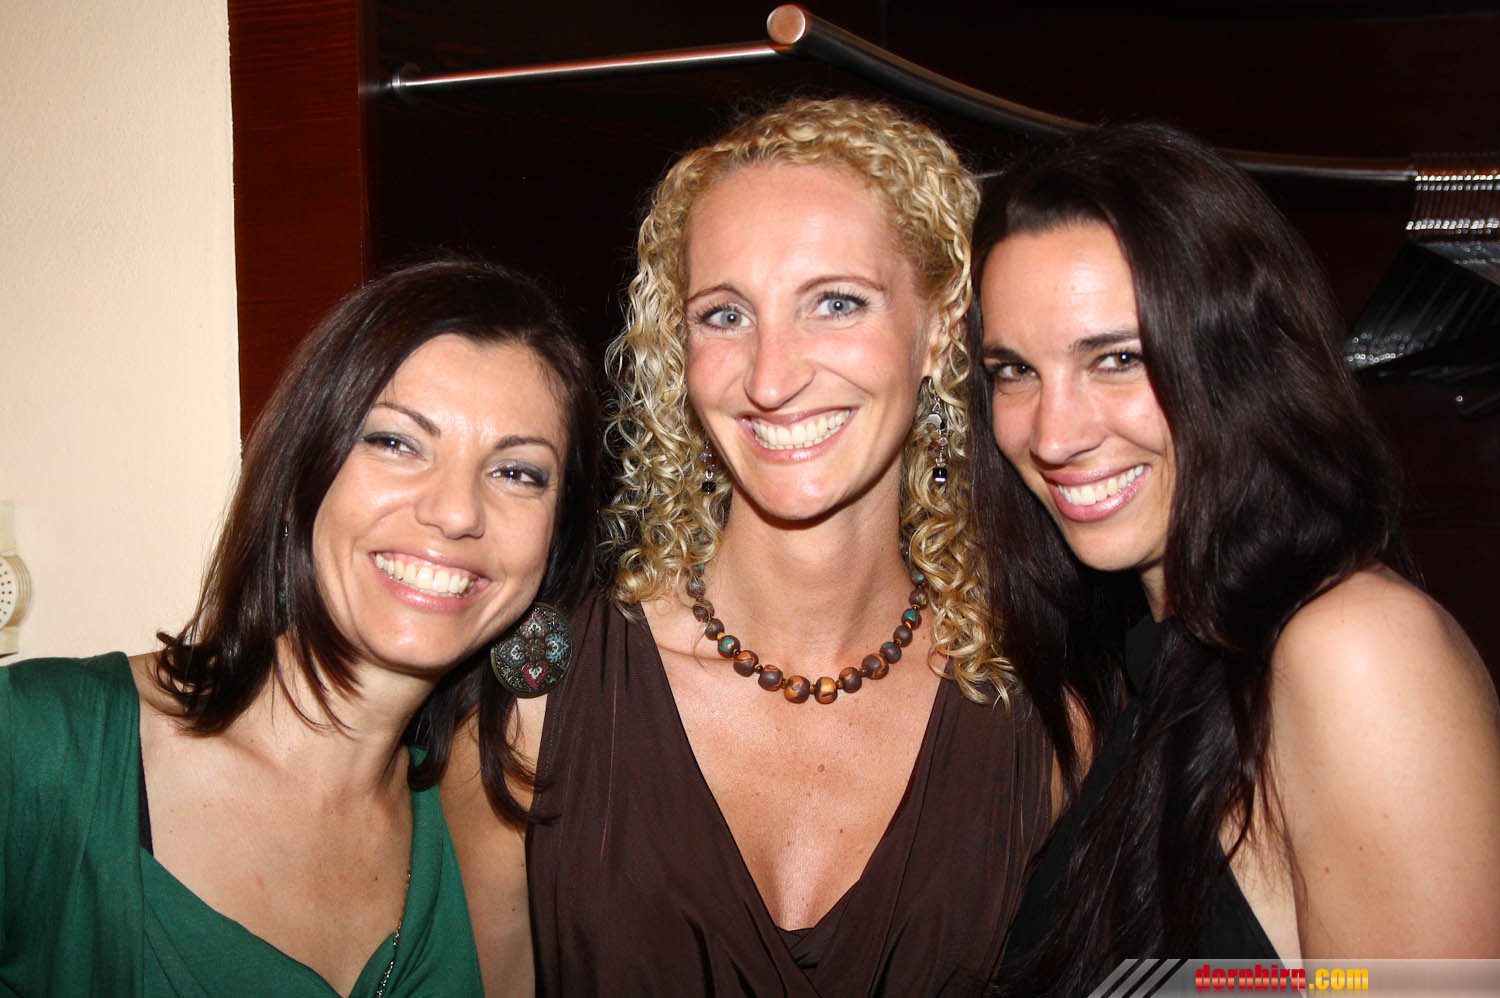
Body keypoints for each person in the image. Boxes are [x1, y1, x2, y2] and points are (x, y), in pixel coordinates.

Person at [442, 97, 1053, 996]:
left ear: (939, 326)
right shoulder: (535, 702)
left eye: (835, 303)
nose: (771, 378)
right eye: (725, 316)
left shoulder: (1045, 711)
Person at [968, 123, 1500, 994]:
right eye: (1014, 371)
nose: (1052, 434)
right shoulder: (1155, 671)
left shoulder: (1355, 651)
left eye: (1119, 359)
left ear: (1241, 359)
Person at [0, 257, 599, 996]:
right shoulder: (39, 748)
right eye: (396, 442)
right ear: (300, 472)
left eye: (517, 473)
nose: (455, 512)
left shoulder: (488, 826)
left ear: (554, 543)